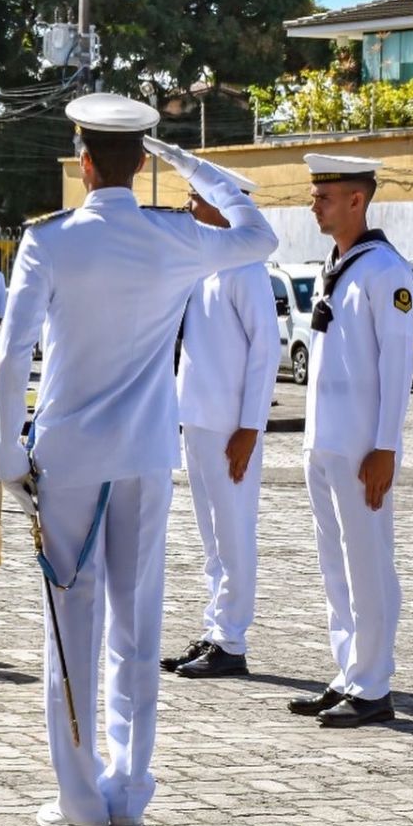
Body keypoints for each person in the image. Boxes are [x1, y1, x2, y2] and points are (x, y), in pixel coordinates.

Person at [0, 94, 277, 826]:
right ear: (140, 163)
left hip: (67, 457)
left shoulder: (50, 240)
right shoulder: (174, 235)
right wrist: (194, 166)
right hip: (146, 455)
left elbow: (11, 355)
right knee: (138, 626)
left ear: (83, 163)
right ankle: (129, 795)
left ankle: (81, 801)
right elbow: (261, 234)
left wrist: (6, 455)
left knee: (70, 627)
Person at [287, 153, 413, 728]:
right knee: (335, 565)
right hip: (325, 441)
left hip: (363, 446)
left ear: (357, 200)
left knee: (368, 564)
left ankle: (373, 685)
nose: (313, 205)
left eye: (324, 196)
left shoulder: (386, 271)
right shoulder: (335, 265)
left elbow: (398, 364)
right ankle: (348, 673)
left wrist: (386, 445)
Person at [163, 169, 279, 679]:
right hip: (198, 418)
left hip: (231, 426)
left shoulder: (246, 268)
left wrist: (251, 426)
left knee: (233, 533)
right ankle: (215, 630)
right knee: (211, 536)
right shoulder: (207, 265)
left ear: (223, 203)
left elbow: (266, 350)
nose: (189, 206)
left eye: (195, 197)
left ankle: (231, 641)